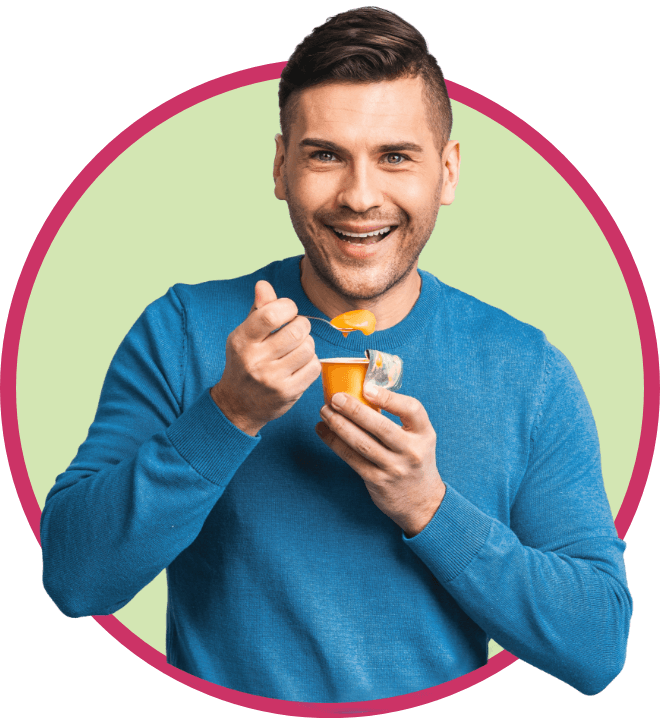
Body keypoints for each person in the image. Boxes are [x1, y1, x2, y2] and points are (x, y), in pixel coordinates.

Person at [40, 7, 632, 702]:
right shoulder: (181, 329)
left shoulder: (526, 370)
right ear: (280, 168)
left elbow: (597, 645)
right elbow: (75, 581)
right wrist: (226, 414)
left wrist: (428, 506)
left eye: (395, 156)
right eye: (325, 155)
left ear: (447, 171)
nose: (359, 196)